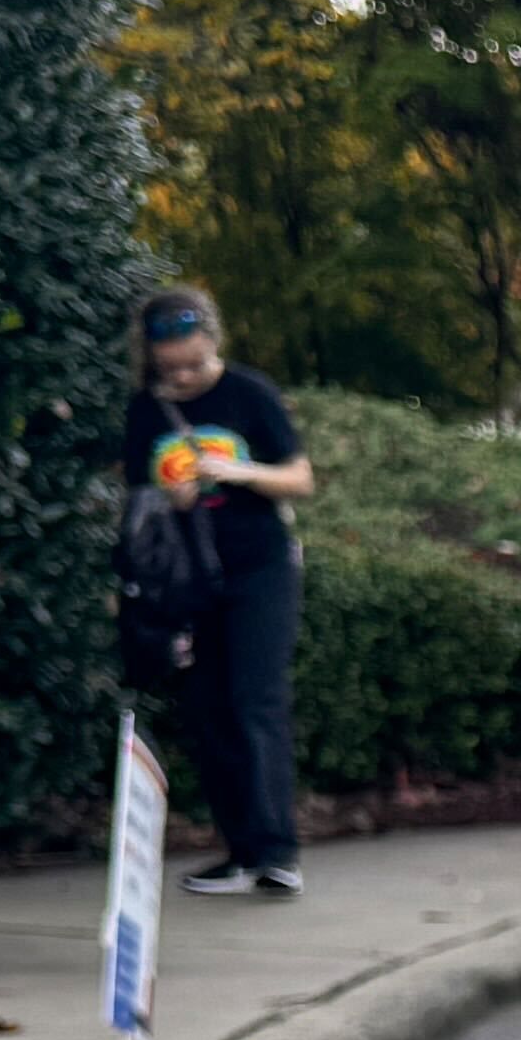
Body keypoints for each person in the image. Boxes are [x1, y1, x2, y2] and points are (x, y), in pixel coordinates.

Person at [121, 288, 315, 895]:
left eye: (194, 365)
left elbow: (301, 478)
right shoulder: (145, 410)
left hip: (260, 567)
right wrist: (170, 498)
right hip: (188, 576)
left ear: (214, 343)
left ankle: (277, 850)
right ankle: (239, 850)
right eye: (170, 369)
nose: (183, 378)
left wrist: (241, 472)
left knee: (257, 699)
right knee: (207, 709)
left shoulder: (248, 393)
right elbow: (136, 495)